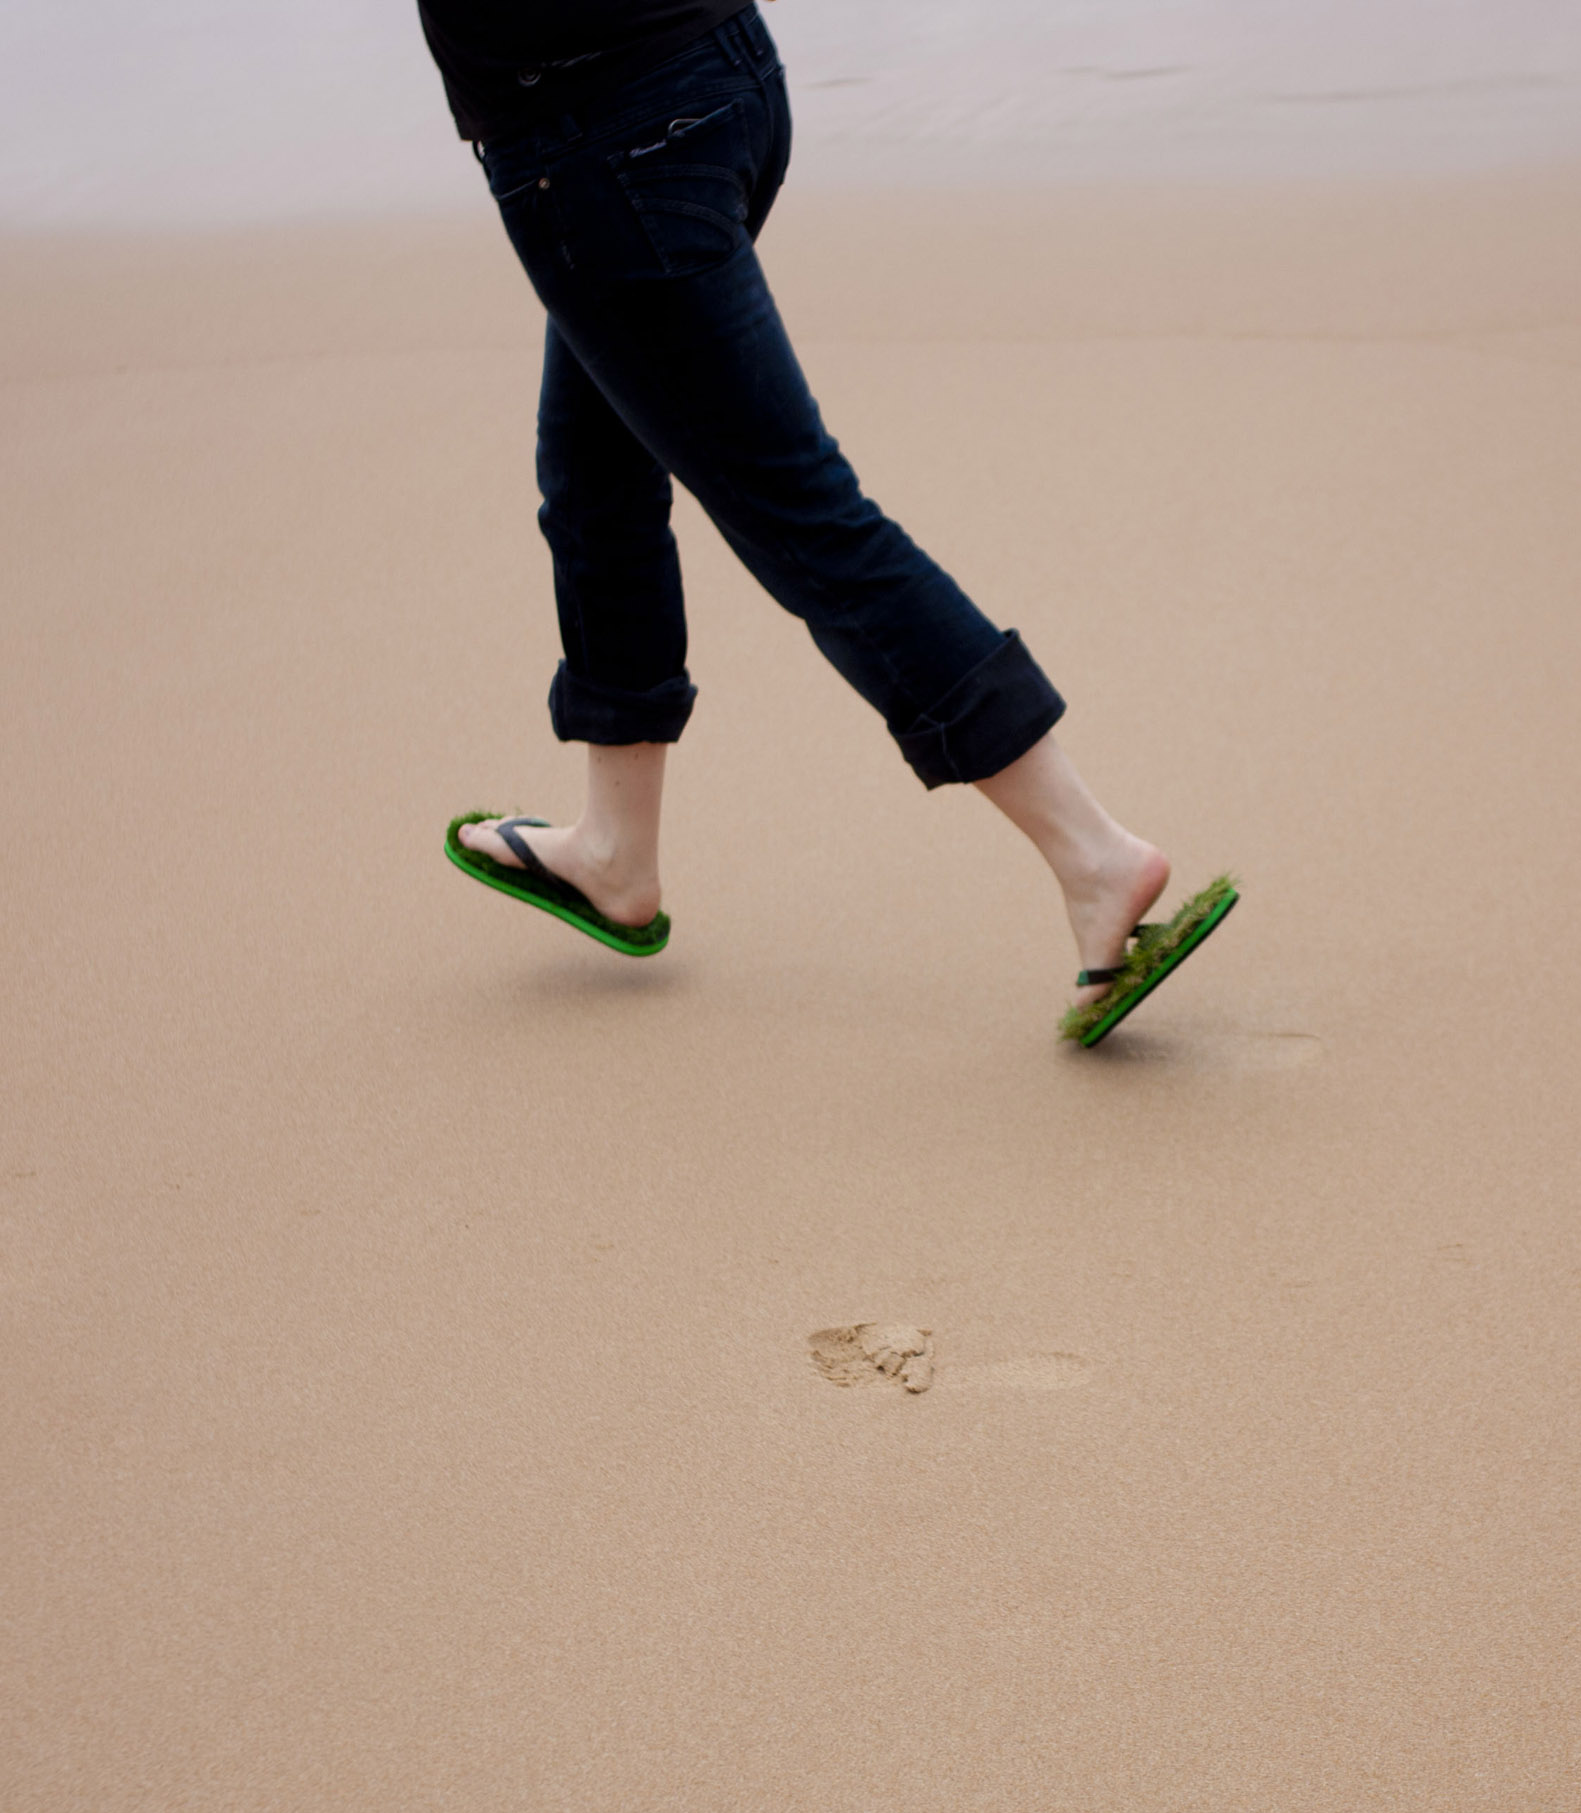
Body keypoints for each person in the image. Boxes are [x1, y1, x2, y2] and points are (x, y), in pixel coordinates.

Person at [420, 0, 1234, 1045]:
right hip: (718, 79)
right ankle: (617, 850)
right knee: (597, 471)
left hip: (605, 138)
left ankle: (1095, 856)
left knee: (802, 516)